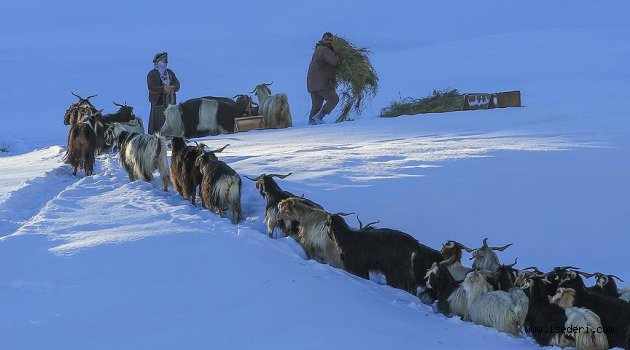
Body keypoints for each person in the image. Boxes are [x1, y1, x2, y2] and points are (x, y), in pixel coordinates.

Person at [307, 32, 341, 125]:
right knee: (334, 99)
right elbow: (334, 62)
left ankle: (312, 121)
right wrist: (340, 54)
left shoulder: (318, 49)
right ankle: (319, 117)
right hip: (321, 83)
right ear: (322, 39)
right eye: (327, 39)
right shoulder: (324, 50)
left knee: (316, 106)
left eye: (331, 40)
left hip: (312, 83)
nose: (329, 42)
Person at [147, 52, 180, 134]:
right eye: (164, 59)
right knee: (159, 120)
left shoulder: (170, 72)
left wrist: (172, 88)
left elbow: (177, 84)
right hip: (159, 102)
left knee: (171, 118)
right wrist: (163, 89)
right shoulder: (152, 73)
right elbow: (151, 87)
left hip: (170, 101)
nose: (166, 61)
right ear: (158, 61)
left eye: (166, 60)